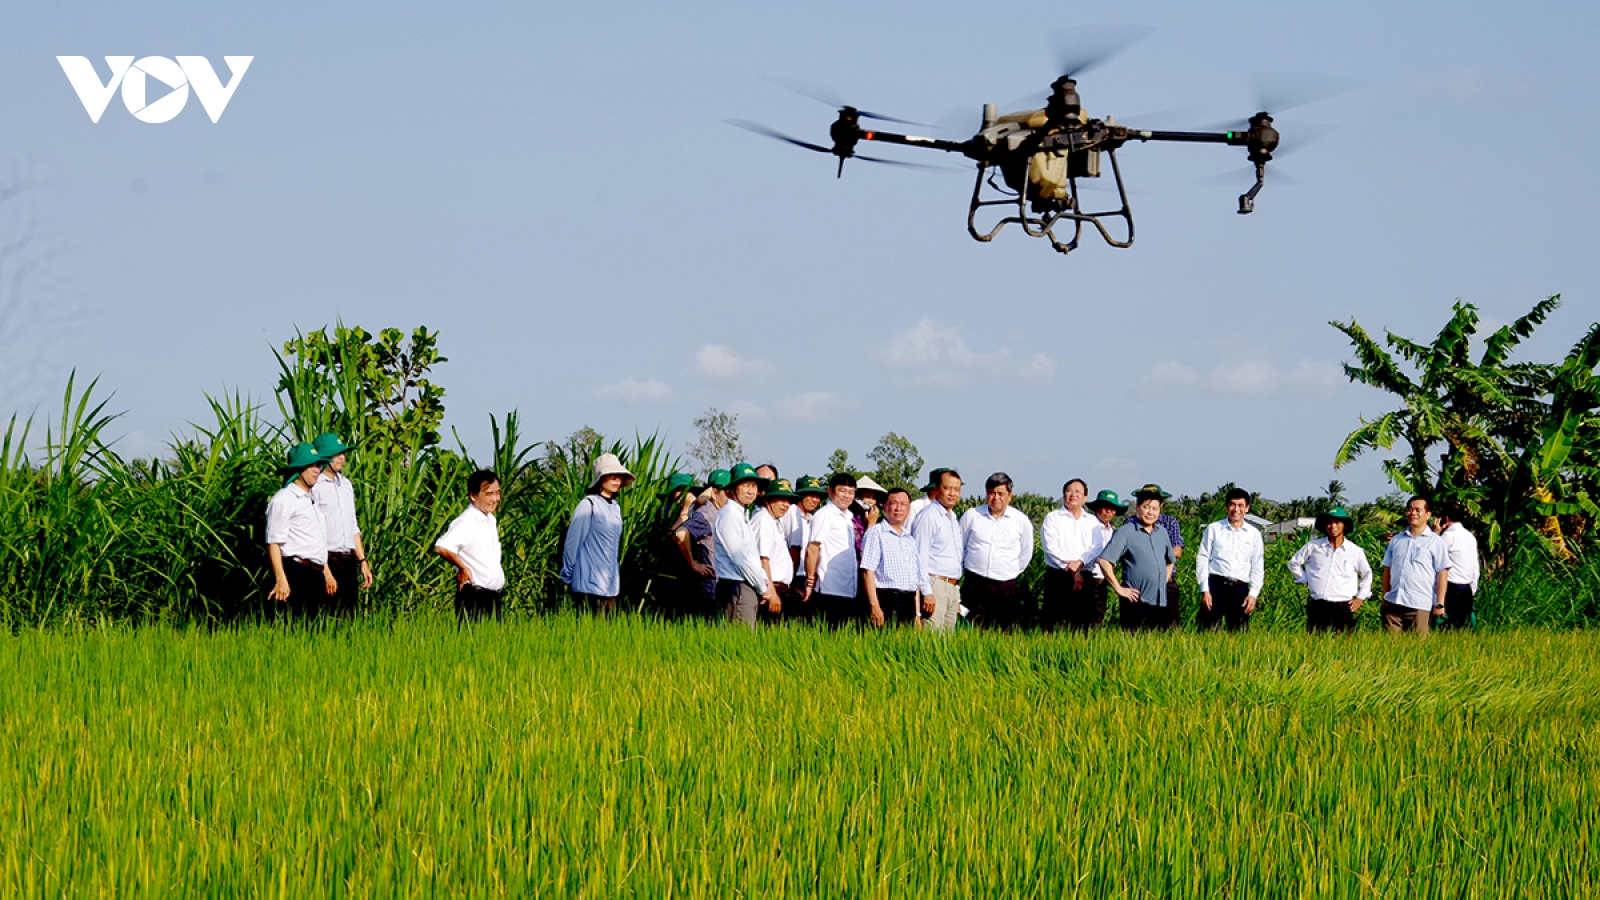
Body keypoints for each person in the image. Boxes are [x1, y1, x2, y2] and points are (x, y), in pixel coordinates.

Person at [266, 442, 336, 620]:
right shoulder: (283, 500)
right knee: (296, 626)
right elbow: (273, 542)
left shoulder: (310, 500)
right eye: (310, 465)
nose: (316, 470)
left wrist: (326, 572)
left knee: (316, 630)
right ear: (298, 469)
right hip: (296, 571)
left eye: (318, 465)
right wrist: (281, 579)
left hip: (316, 573)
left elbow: (316, 541)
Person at [959, 472, 1034, 629]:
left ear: (1009, 496)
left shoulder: (1020, 520)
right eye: (992, 493)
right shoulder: (972, 516)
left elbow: (1026, 552)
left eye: (1001, 493)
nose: (996, 497)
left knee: (1004, 629)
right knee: (973, 628)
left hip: (1005, 586)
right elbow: (960, 546)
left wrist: (1010, 571)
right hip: (976, 583)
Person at [560, 452, 633, 615]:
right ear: (601, 478)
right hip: (588, 584)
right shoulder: (588, 505)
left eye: (619, 477)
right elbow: (572, 543)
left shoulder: (615, 507)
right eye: (612, 476)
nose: (617, 480)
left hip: (610, 586)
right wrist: (568, 574)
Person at [1096, 487, 1176, 631]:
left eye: (1154, 508)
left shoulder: (1162, 533)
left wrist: (1164, 579)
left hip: (1160, 601)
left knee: (1159, 645)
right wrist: (1119, 589)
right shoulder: (1125, 532)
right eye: (1146, 507)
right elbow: (1104, 561)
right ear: (1138, 507)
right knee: (1135, 645)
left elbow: (1170, 560)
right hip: (1135, 601)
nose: (1150, 512)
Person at [309, 432, 372, 617]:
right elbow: (314, 531)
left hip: (348, 559)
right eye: (337, 455)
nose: (342, 458)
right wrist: (325, 569)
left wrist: (362, 561)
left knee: (348, 614)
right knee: (327, 614)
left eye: (343, 454)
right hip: (327, 558)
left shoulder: (346, 485)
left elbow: (352, 525)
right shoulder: (316, 487)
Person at [435, 469, 506, 623]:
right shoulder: (466, 522)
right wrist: (463, 567)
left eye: (497, 493)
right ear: (473, 496)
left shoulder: (490, 520)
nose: (495, 499)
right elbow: (442, 547)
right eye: (489, 494)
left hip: (493, 597)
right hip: (474, 597)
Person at [1288, 506, 1373, 633]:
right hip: (1318, 605)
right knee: (1315, 643)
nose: (1333, 526)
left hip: (1343, 606)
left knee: (1342, 644)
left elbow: (1367, 574)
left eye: (1337, 522)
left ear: (1345, 526)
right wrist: (1304, 579)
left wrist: (1360, 598)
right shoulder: (1314, 547)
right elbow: (1294, 563)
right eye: (1329, 522)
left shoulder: (1355, 551)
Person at [714, 463, 777, 627]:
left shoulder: (742, 514)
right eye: (746, 485)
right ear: (733, 489)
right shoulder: (729, 515)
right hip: (737, 586)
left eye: (754, 486)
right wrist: (763, 586)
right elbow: (740, 558)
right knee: (739, 641)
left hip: (746, 585)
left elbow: (751, 556)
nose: (751, 491)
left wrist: (764, 582)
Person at [1195, 488, 1266, 631]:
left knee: (1239, 633)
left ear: (1247, 508)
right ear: (1227, 506)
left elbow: (1258, 566)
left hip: (1240, 588)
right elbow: (1202, 558)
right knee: (1208, 631)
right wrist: (1205, 590)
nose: (1236, 509)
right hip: (1215, 585)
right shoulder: (1214, 529)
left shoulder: (1254, 534)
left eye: (1240, 505)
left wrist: (1253, 594)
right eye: (1232, 504)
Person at [1380, 495, 1451, 634]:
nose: (1413, 513)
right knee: (1390, 649)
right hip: (1393, 603)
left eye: (1418, 510)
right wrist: (1385, 596)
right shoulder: (1396, 540)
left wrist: (1439, 603)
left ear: (1428, 514)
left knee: (1417, 649)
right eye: (1410, 509)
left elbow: (1442, 573)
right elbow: (1387, 570)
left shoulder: (1436, 542)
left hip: (1419, 604)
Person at [1039, 478, 1101, 631]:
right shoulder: (1053, 518)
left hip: (1086, 576)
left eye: (1078, 491)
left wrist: (1079, 563)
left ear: (1085, 498)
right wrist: (1070, 568)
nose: (1073, 494)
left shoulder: (1092, 521)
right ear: (1064, 494)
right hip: (1058, 576)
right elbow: (1050, 547)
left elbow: (1097, 547)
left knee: (1083, 624)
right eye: (1069, 491)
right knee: (1053, 623)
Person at [860, 488, 926, 627]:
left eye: (903, 504)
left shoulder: (909, 539)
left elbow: (915, 579)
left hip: (908, 600)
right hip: (886, 598)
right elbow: (867, 572)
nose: (898, 508)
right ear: (885, 507)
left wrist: (917, 614)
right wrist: (875, 606)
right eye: (894, 503)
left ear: (908, 509)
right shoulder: (876, 533)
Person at [1126, 484, 1187, 626]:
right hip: (1136, 586)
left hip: (1166, 581)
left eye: (1154, 504)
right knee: (1135, 628)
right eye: (1146, 504)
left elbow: (1177, 551)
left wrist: (1151, 552)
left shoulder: (1169, 522)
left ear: (1161, 504)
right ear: (1138, 505)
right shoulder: (1129, 524)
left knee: (1169, 625)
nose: (1150, 511)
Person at [804, 472, 859, 627]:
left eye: (850, 492)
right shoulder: (825, 514)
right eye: (842, 491)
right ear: (830, 491)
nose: (846, 496)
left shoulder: (849, 517)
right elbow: (813, 548)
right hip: (830, 586)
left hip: (848, 587)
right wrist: (810, 581)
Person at [912, 468, 964, 631]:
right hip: (935, 585)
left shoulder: (953, 518)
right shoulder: (928, 516)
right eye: (947, 488)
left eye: (956, 489)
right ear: (936, 489)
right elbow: (919, 557)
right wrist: (927, 592)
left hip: (952, 586)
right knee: (931, 638)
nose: (952, 493)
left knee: (947, 642)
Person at [673, 469, 729, 619]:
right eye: (727, 492)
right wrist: (693, 564)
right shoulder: (706, 514)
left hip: (722, 582)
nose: (730, 497)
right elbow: (680, 534)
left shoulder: (721, 511)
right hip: (712, 584)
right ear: (715, 492)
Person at [1077, 489, 1129, 628]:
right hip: (1088, 577)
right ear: (1097, 507)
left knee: (1098, 617)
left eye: (1112, 508)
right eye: (1105, 507)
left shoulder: (1112, 531)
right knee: (1083, 620)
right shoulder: (1088, 526)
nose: (1108, 511)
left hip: (1103, 580)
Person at [754, 477, 799, 622]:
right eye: (780, 499)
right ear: (767, 500)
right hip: (771, 588)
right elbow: (763, 560)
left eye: (788, 501)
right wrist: (771, 592)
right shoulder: (763, 521)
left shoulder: (775, 522)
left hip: (781, 588)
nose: (785, 504)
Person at [1435, 504, 1481, 630]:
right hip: (1467, 586)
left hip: (1451, 586)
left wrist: (1435, 534)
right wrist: (1473, 588)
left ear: (1446, 518)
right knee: (1462, 627)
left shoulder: (1448, 537)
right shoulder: (1469, 536)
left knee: (1448, 627)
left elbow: (1435, 559)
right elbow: (1475, 565)